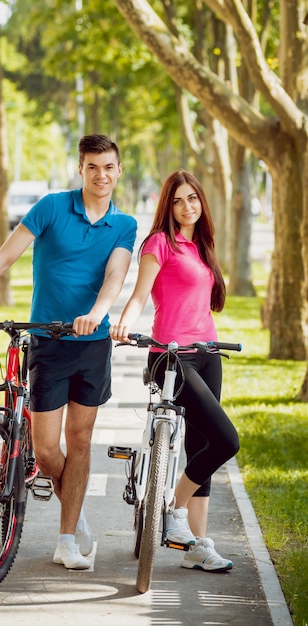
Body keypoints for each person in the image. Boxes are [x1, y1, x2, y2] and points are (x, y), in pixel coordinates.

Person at [0, 134, 137, 570]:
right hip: (48, 343)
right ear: (81, 169)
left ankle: (66, 539)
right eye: (93, 166)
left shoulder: (125, 225)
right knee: (45, 452)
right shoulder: (50, 208)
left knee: (80, 442)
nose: (101, 175)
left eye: (109, 167)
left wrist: (96, 313)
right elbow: (3, 259)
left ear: (119, 170)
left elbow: (115, 277)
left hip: (92, 345)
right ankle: (75, 514)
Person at [110, 169, 239, 572]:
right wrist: (124, 323)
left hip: (208, 352)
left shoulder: (202, 245)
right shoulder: (159, 243)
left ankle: (196, 546)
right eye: (179, 200)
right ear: (168, 205)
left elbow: (204, 304)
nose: (188, 206)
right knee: (226, 441)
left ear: (202, 202)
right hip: (172, 357)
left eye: (193, 199)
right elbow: (140, 295)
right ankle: (172, 509)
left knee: (201, 449)